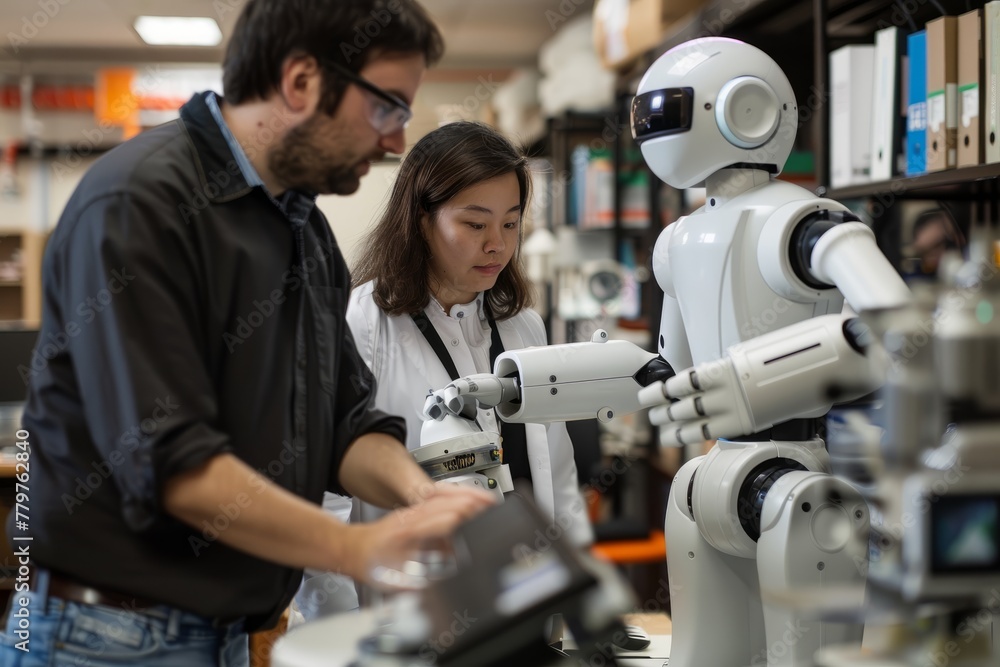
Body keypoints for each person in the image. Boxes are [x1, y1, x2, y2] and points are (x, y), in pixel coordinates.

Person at [0, 1, 494, 665]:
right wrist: (356, 548)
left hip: (227, 633)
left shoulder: (304, 231)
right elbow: (170, 464)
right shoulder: (140, 204)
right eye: (387, 108)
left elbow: (346, 423)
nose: (396, 141)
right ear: (300, 82)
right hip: (104, 637)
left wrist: (425, 497)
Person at [295, 121, 593, 619]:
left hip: (525, 605)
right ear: (420, 220)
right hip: (407, 615)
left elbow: (557, 477)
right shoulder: (363, 323)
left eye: (512, 223)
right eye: (475, 225)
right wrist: (345, 634)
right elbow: (326, 501)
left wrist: (580, 597)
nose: (497, 244)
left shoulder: (523, 327)